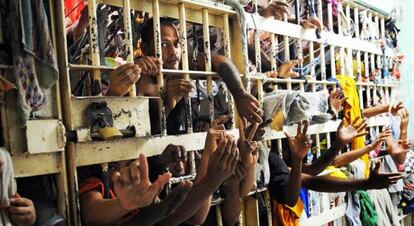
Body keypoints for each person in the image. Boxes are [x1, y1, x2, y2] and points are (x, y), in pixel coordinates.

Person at [137, 17, 263, 135]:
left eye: (176, 44)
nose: (173, 51)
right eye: (164, 44)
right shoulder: (142, 73)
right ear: (145, 48)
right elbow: (150, 130)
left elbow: (220, 61)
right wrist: (168, 100)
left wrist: (240, 94)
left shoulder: (181, 62)